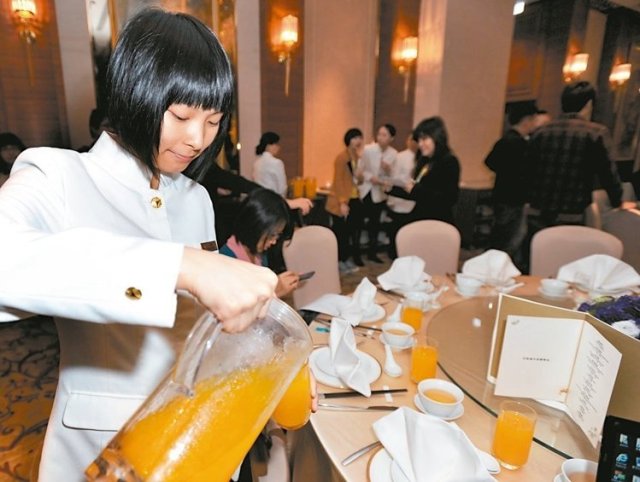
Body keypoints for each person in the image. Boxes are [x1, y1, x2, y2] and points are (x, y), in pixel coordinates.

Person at [0, 9, 280, 480]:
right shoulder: (60, 176)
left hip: (194, 441)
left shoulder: (196, 199)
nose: (197, 139)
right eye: (181, 116)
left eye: (213, 121)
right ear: (135, 94)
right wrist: (180, 265)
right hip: (103, 451)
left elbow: (199, 331)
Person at [525, 81, 626, 245]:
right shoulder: (596, 133)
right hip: (572, 212)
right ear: (589, 104)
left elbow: (527, 172)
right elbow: (608, 173)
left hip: (538, 210)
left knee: (538, 253)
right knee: (568, 254)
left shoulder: (541, 132)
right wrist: (618, 201)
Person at [484, 101, 539, 266]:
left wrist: (504, 171)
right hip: (514, 199)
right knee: (510, 239)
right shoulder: (521, 144)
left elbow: (490, 162)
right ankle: (498, 269)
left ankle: (493, 266)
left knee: (501, 235)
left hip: (501, 195)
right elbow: (528, 173)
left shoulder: (505, 140)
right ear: (526, 120)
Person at [220, 188, 300, 297]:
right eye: (272, 235)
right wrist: (274, 292)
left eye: (278, 235)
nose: (274, 241)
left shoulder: (259, 254)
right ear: (254, 226)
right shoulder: (227, 260)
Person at [386, 117, 460, 226]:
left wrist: (415, 189)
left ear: (437, 137)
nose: (420, 144)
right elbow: (415, 193)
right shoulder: (425, 161)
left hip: (438, 221)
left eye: (424, 139)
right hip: (420, 218)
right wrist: (390, 189)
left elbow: (448, 199)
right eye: (419, 140)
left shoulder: (449, 161)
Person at [325, 127, 365, 273]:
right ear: (348, 140)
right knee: (341, 233)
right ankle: (339, 261)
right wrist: (342, 202)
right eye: (354, 138)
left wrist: (360, 176)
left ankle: (345, 259)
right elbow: (338, 181)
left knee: (350, 231)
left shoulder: (357, 157)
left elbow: (358, 180)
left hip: (354, 198)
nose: (357, 141)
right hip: (341, 201)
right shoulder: (342, 157)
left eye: (359, 138)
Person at [357, 123, 397, 263]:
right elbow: (360, 169)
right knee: (360, 221)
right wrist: (370, 178)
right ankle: (357, 254)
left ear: (391, 138)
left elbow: (393, 175)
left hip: (380, 192)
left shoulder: (393, 154)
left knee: (375, 223)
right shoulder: (368, 149)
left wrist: (388, 169)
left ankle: (372, 253)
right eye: (379, 134)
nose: (380, 137)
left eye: (384, 135)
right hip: (366, 190)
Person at [386, 134, 417, 259]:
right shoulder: (400, 157)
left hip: (413, 200)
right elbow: (394, 177)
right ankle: (394, 253)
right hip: (399, 199)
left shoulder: (422, 158)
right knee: (397, 228)